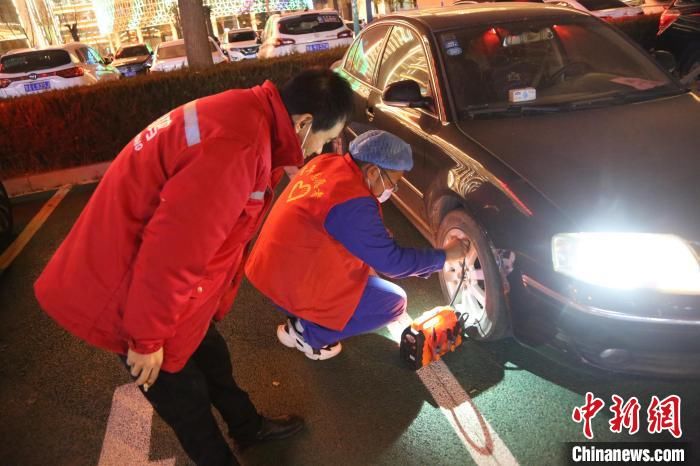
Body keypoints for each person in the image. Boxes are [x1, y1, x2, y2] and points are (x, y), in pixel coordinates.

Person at [33, 69, 353, 465]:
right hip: (126, 291)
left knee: (213, 359)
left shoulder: (249, 115)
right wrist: (147, 340)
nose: (317, 152)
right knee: (186, 403)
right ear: (303, 123)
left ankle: (247, 427)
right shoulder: (237, 145)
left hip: (156, 286)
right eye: (322, 140)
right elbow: (172, 253)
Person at [245, 130, 469, 360]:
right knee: (394, 303)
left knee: (364, 270)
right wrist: (445, 255)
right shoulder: (353, 202)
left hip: (270, 272)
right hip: (291, 286)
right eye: (394, 182)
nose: (393, 190)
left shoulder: (328, 163)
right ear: (373, 172)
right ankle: (309, 335)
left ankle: (302, 317)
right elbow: (393, 263)